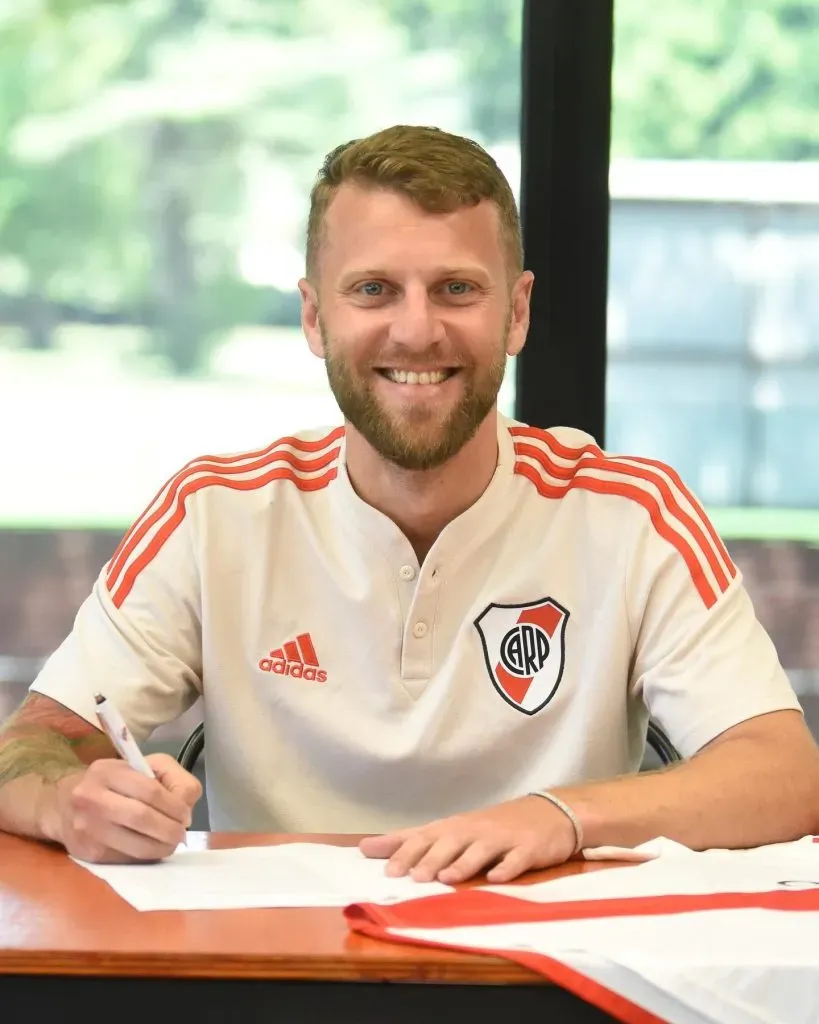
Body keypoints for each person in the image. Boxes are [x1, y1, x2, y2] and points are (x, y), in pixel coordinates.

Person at [0, 125, 817, 884]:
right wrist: (70, 804)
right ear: (315, 317)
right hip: (277, 972)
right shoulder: (214, 513)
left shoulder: (632, 514)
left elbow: (784, 776)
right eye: (374, 290)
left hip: (547, 978)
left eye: (457, 288)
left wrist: (561, 817)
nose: (416, 330)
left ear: (518, 310)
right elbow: (31, 748)